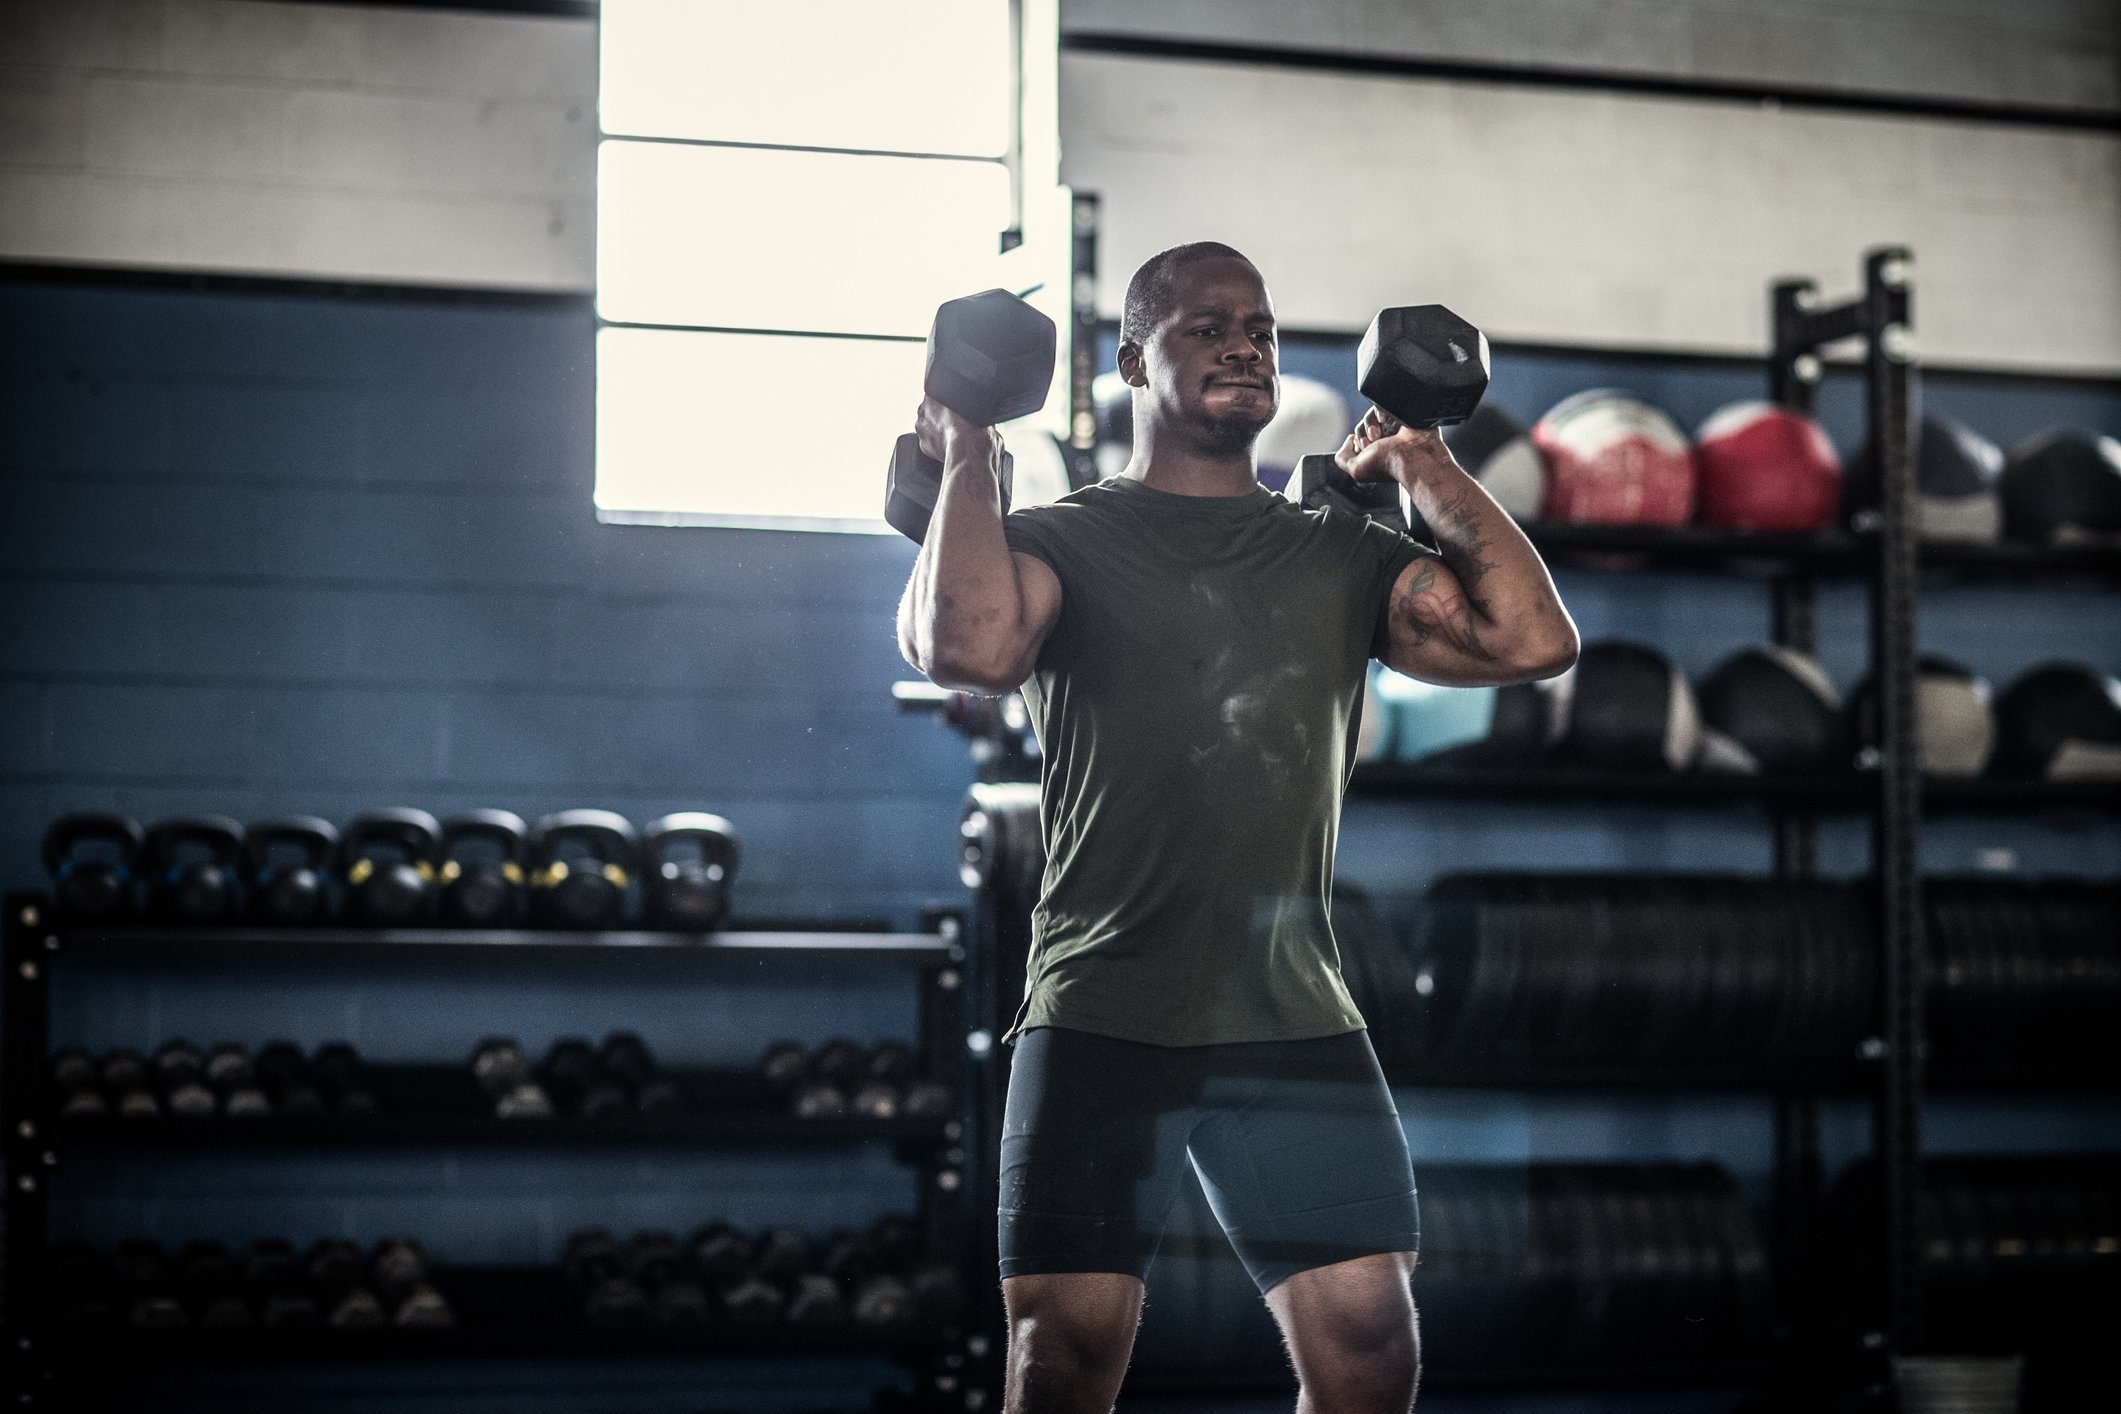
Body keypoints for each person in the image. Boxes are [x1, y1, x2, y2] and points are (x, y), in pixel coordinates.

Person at [896, 242, 1578, 1413]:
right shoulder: (1066, 539)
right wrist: (966, 446)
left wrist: (1422, 459)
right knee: (1060, 1356)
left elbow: (1529, 639)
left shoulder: (1340, 551)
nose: (1242, 343)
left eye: (1257, 326)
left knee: (1370, 1342)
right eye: (1204, 325)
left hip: (1291, 1010)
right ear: (1131, 360)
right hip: (1105, 1005)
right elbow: (968, 646)